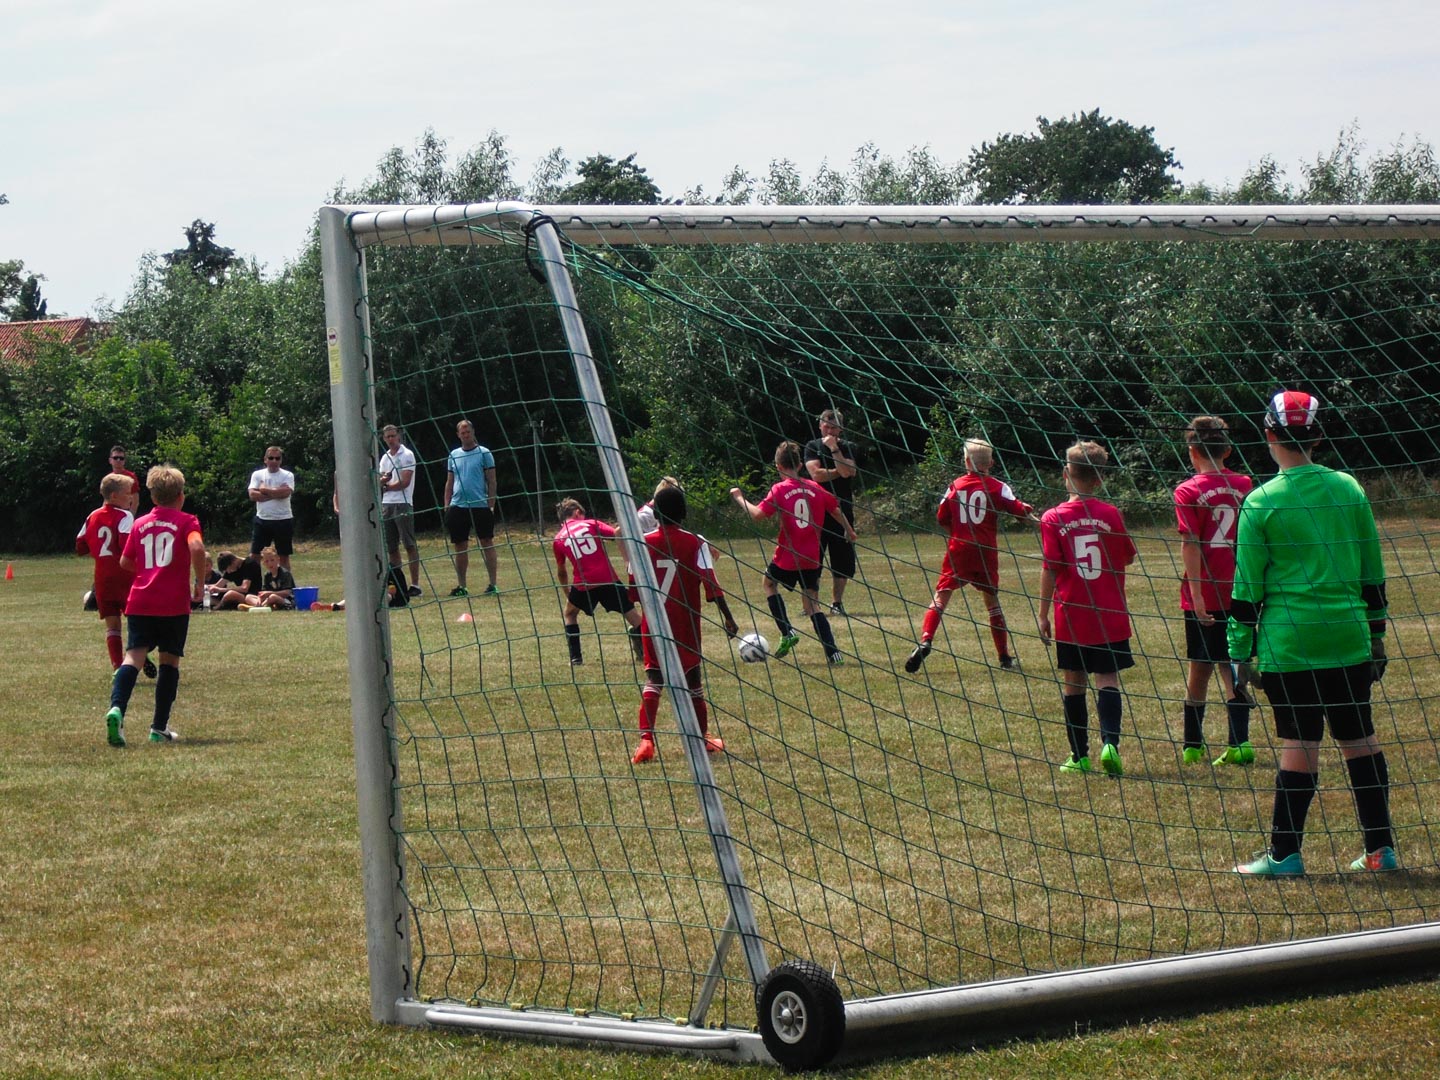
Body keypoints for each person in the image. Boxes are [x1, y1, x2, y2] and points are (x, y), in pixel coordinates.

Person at [1229, 390, 1395, 876]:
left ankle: (1285, 855)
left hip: (1291, 643)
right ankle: (1381, 851)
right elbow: (1372, 571)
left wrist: (1239, 653)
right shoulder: (1349, 488)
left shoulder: (1261, 501)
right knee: (1360, 739)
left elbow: (1247, 589)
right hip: (1348, 638)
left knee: (1300, 745)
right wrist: (1376, 632)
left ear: (1268, 434)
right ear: (1317, 436)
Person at [1038, 441, 1138, 777]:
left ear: (1065, 474)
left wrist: (1042, 614)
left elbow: (1051, 568)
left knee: (1074, 683)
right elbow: (1127, 556)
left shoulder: (1053, 517)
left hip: (1072, 614)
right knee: (1108, 679)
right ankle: (1111, 743)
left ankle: (1079, 756)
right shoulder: (1111, 514)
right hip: (1109, 613)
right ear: (1100, 479)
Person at [905, 438, 1036, 674]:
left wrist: (957, 533)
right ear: (991, 462)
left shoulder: (955, 486)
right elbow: (1019, 510)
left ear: (966, 461)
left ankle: (926, 639)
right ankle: (1004, 658)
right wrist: (1033, 516)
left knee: (941, 596)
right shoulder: (998, 486)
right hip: (986, 551)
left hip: (960, 548)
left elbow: (941, 517)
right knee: (992, 603)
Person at [630, 485, 739, 764]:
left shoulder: (640, 543)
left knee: (654, 679)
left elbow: (633, 589)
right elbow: (710, 583)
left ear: (655, 514)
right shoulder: (696, 543)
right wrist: (728, 616)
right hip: (685, 623)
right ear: (684, 513)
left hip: (654, 623)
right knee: (693, 682)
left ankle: (646, 740)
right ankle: (700, 739)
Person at [103, 465, 206, 747]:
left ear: (152, 496)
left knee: (133, 657)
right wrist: (199, 582)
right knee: (169, 661)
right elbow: (197, 548)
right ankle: (158, 728)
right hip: (172, 603)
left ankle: (117, 708)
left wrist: (149, 570)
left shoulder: (140, 523)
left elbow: (125, 561)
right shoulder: (187, 521)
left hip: (140, 601)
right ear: (181, 495)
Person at [1173, 416, 1256, 766]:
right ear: (1228, 449)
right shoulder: (1245, 485)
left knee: (1199, 670)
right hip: (1240, 591)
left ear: (1192, 451)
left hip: (1205, 594)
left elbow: (1190, 543)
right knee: (1233, 665)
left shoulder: (1187, 490)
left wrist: (1196, 594)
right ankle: (1240, 743)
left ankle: (1192, 745)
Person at [730, 440, 856, 664]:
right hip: (812, 557)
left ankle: (787, 631)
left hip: (788, 556)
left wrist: (739, 497)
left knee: (769, 583)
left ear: (778, 467)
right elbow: (835, 510)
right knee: (812, 604)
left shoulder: (779, 489)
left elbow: (758, 515)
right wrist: (849, 530)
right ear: (799, 466)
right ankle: (833, 653)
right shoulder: (815, 487)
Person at [553, 498, 644, 665]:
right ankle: (649, 651)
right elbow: (617, 534)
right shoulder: (591, 524)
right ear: (577, 513)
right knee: (633, 616)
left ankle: (575, 658)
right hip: (608, 579)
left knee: (570, 614)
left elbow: (561, 572)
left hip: (584, 584)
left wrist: (568, 594)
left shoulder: (558, 538)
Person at [75, 473, 136, 670]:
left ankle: (117, 667)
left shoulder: (92, 516)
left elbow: (80, 546)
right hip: (125, 577)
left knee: (112, 625)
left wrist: (99, 552)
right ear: (114, 496)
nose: (131, 497)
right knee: (136, 621)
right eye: (127, 493)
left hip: (102, 579)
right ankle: (138, 656)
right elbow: (127, 547)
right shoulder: (125, 516)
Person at [803, 408, 860, 616]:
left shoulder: (848, 447)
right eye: (826, 426)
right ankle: (812, 604)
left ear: (840, 429)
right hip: (816, 510)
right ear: (820, 425)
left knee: (842, 558)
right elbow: (816, 475)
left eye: (834, 427)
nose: (829, 431)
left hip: (842, 509)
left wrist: (834, 449)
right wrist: (840, 471)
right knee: (813, 557)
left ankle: (837, 603)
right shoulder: (812, 446)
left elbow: (850, 471)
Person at [443, 419, 498, 597]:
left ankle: (493, 584)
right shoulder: (453, 455)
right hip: (458, 506)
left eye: (468, 431)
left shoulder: (484, 453)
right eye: (462, 432)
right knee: (460, 546)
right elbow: (449, 481)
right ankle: (462, 586)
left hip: (480, 505)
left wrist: (491, 505)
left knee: (487, 542)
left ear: (473, 432)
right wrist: (447, 504)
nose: (466, 435)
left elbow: (492, 480)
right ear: (458, 435)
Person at [379, 424, 422, 600]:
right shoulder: (385, 458)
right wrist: (384, 482)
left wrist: (386, 485)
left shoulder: (407, 455)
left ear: (398, 436)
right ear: (384, 439)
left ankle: (415, 585)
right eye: (387, 437)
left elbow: (405, 481)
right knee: (391, 546)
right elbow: (381, 480)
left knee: (409, 544)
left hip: (403, 503)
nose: (391, 439)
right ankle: (397, 583)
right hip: (386, 504)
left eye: (393, 436)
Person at [248, 446, 296, 573]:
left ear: (281, 460)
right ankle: (254, 583)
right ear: (265, 459)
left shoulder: (288, 475)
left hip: (283, 519)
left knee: (283, 556)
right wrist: (276, 493)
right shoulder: (257, 475)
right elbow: (253, 495)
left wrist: (264, 490)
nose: (274, 461)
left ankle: (285, 583)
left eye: (277, 458)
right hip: (262, 520)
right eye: (271, 458)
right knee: (255, 555)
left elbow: (286, 493)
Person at [108, 444, 140, 512]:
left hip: (125, 512)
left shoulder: (131, 477)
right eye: (115, 458)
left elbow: (135, 501)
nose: (118, 460)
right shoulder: (109, 478)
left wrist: (130, 516)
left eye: (121, 458)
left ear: (124, 461)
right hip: (111, 512)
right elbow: (106, 500)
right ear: (110, 460)